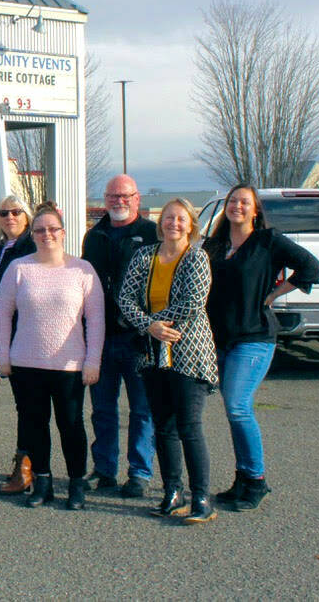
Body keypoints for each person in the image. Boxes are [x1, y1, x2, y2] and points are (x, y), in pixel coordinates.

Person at [203, 184, 319, 511]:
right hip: (221, 339)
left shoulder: (268, 242)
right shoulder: (215, 245)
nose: (237, 206)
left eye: (244, 202)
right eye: (232, 201)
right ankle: (242, 480)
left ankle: (256, 480)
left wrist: (275, 293)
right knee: (232, 408)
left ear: (255, 210)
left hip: (254, 337)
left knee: (238, 406)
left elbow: (311, 267)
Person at [0, 201, 104, 510]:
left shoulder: (82, 270)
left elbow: (96, 320)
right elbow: (2, 313)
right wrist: (4, 355)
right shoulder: (19, 268)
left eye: (52, 229)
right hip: (26, 363)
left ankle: (76, 483)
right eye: (40, 230)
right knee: (34, 424)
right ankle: (42, 481)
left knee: (71, 425)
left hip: (69, 365)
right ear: (33, 233)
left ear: (63, 232)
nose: (46, 235)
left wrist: (92, 361)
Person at [118, 199, 219, 524]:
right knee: (163, 428)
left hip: (189, 354)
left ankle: (201, 497)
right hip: (152, 354)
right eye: (168, 218)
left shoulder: (197, 257)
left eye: (180, 219)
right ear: (160, 224)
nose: (173, 223)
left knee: (189, 427)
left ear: (191, 225)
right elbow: (125, 297)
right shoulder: (143, 256)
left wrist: (155, 322)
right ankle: (172, 492)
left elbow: (193, 302)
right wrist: (149, 326)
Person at [81, 173, 158, 498]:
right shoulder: (94, 237)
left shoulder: (151, 234)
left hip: (139, 338)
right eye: (113, 196)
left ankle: (139, 474)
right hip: (101, 337)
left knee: (142, 410)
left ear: (137, 199)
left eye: (125, 196)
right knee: (102, 410)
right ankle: (104, 470)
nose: (119, 201)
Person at [0, 194, 36, 496]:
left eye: (17, 212)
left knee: (29, 405)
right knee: (23, 404)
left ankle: (27, 467)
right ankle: (27, 463)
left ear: (27, 216)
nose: (10, 218)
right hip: (4, 338)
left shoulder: (31, 247)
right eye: (4, 213)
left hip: (25, 338)